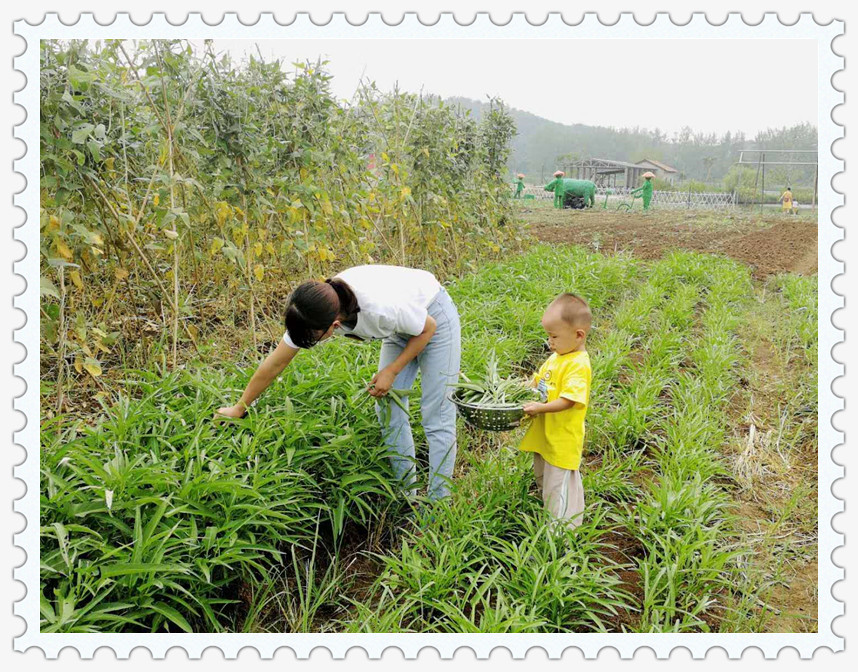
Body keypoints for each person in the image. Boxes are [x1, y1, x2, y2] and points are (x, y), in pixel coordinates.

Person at [216, 265, 462, 502]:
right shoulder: (313, 310)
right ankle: (407, 494)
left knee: (437, 415)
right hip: (400, 326)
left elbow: (427, 328)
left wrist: (392, 370)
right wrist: (239, 407)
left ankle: (438, 505)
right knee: (387, 407)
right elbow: (274, 365)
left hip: (433, 315)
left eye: (314, 339)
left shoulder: (377, 310)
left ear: (334, 325)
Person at [518, 293, 592, 529]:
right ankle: (551, 518)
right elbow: (538, 382)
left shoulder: (578, 364)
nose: (550, 342)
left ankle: (562, 533)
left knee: (559, 487)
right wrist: (519, 388)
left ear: (578, 335)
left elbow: (569, 400)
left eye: (554, 336)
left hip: (561, 440)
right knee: (545, 481)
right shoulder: (555, 357)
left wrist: (540, 408)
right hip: (545, 437)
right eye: (548, 335)